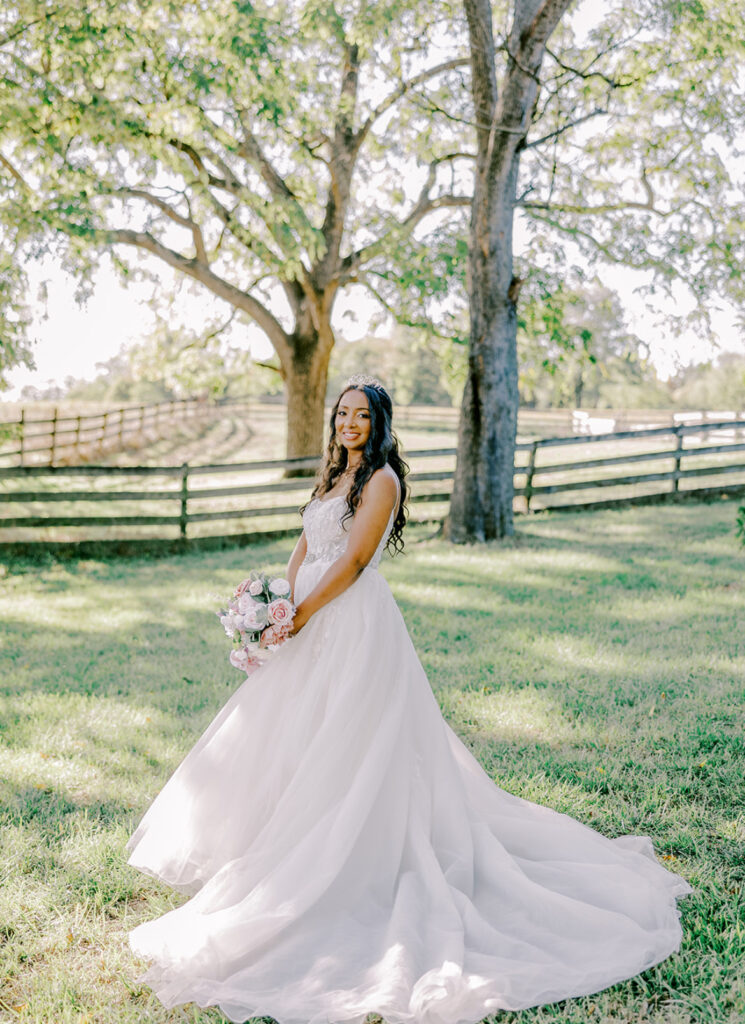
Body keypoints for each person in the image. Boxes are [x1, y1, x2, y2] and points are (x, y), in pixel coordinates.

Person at [126, 374, 691, 1024]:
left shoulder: (382, 479)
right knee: (293, 731)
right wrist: (280, 603)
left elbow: (355, 560)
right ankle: (277, 843)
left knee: (349, 739)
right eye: (342, 413)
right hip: (306, 616)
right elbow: (308, 544)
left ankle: (347, 852)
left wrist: (304, 612)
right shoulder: (332, 474)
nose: (348, 423)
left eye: (360, 415)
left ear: (379, 422)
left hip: (348, 621)